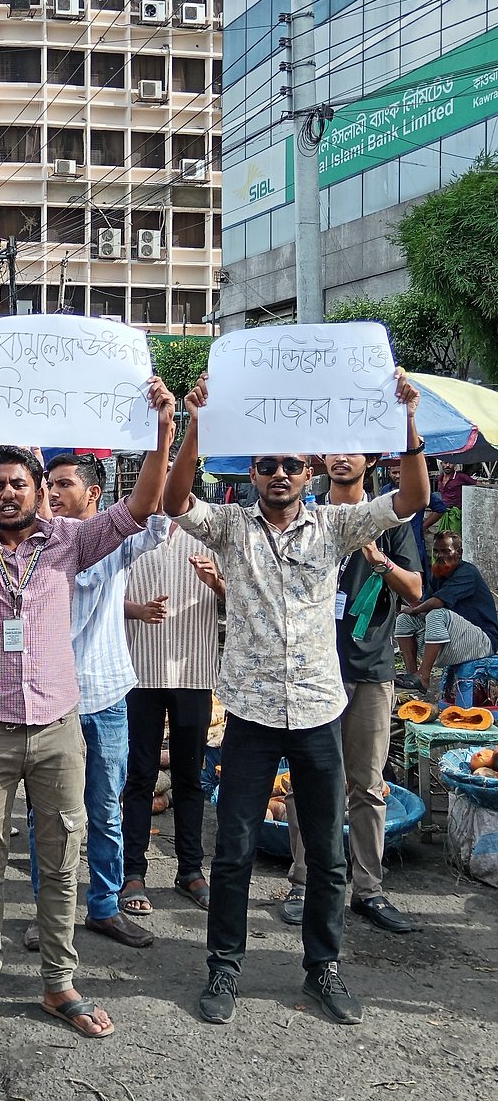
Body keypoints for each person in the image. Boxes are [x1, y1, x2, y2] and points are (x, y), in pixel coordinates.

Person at [164, 369, 430, 1028]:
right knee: (234, 851)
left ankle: (323, 968)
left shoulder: (338, 528)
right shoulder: (231, 528)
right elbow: (174, 503)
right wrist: (194, 424)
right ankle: (224, 969)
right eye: (266, 465)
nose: (279, 474)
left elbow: (411, 499)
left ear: (308, 472)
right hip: (251, 718)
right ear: (252, 473)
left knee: (328, 852)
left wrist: (407, 423)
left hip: (317, 712)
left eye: (289, 464)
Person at [0, 372, 175, 1049]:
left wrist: (162, 431)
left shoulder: (71, 540)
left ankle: (60, 984)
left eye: (20, 483)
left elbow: (143, 506)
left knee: (61, 864)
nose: (8, 493)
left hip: (61, 728)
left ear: (39, 491)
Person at [22, 452, 171, 953]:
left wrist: (165, 436)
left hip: (104, 696)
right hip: (47, 700)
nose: (53, 492)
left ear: (94, 494)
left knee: (104, 810)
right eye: (49, 484)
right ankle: (49, 913)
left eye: (64, 484)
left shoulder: (116, 542)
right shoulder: (29, 546)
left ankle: (104, 905)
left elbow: (156, 513)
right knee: (47, 815)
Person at [278, 452, 422, 935]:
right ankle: (303, 880)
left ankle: (369, 889)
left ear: (371, 458)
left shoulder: (390, 519)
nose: (342, 456)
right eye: (334, 447)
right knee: (306, 781)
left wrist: (378, 561)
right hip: (313, 672)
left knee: (367, 783)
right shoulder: (309, 515)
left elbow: (416, 590)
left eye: (353, 447)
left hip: (371, 669)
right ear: (321, 459)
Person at [121, 525, 223, 915]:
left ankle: (190, 870)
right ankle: (133, 871)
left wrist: (216, 583)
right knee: (139, 776)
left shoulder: (210, 537)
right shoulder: (129, 538)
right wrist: (138, 610)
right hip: (139, 674)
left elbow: (243, 599)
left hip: (193, 674)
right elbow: (105, 596)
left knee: (189, 777)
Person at [395, 530, 498, 694]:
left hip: (483, 642)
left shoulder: (467, 572)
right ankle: (413, 675)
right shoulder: (438, 573)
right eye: (436, 551)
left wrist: (414, 609)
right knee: (404, 619)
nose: (440, 555)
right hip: (455, 638)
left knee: (436, 613)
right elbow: (425, 604)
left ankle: (424, 675)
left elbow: (436, 603)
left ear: (459, 553)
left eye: (446, 551)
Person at [380, 459, 445, 587]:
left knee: (417, 578)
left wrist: (423, 526)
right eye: (394, 472)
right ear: (389, 473)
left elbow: (440, 508)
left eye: (400, 472)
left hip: (413, 541)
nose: (397, 476)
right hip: (391, 542)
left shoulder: (417, 490)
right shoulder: (385, 490)